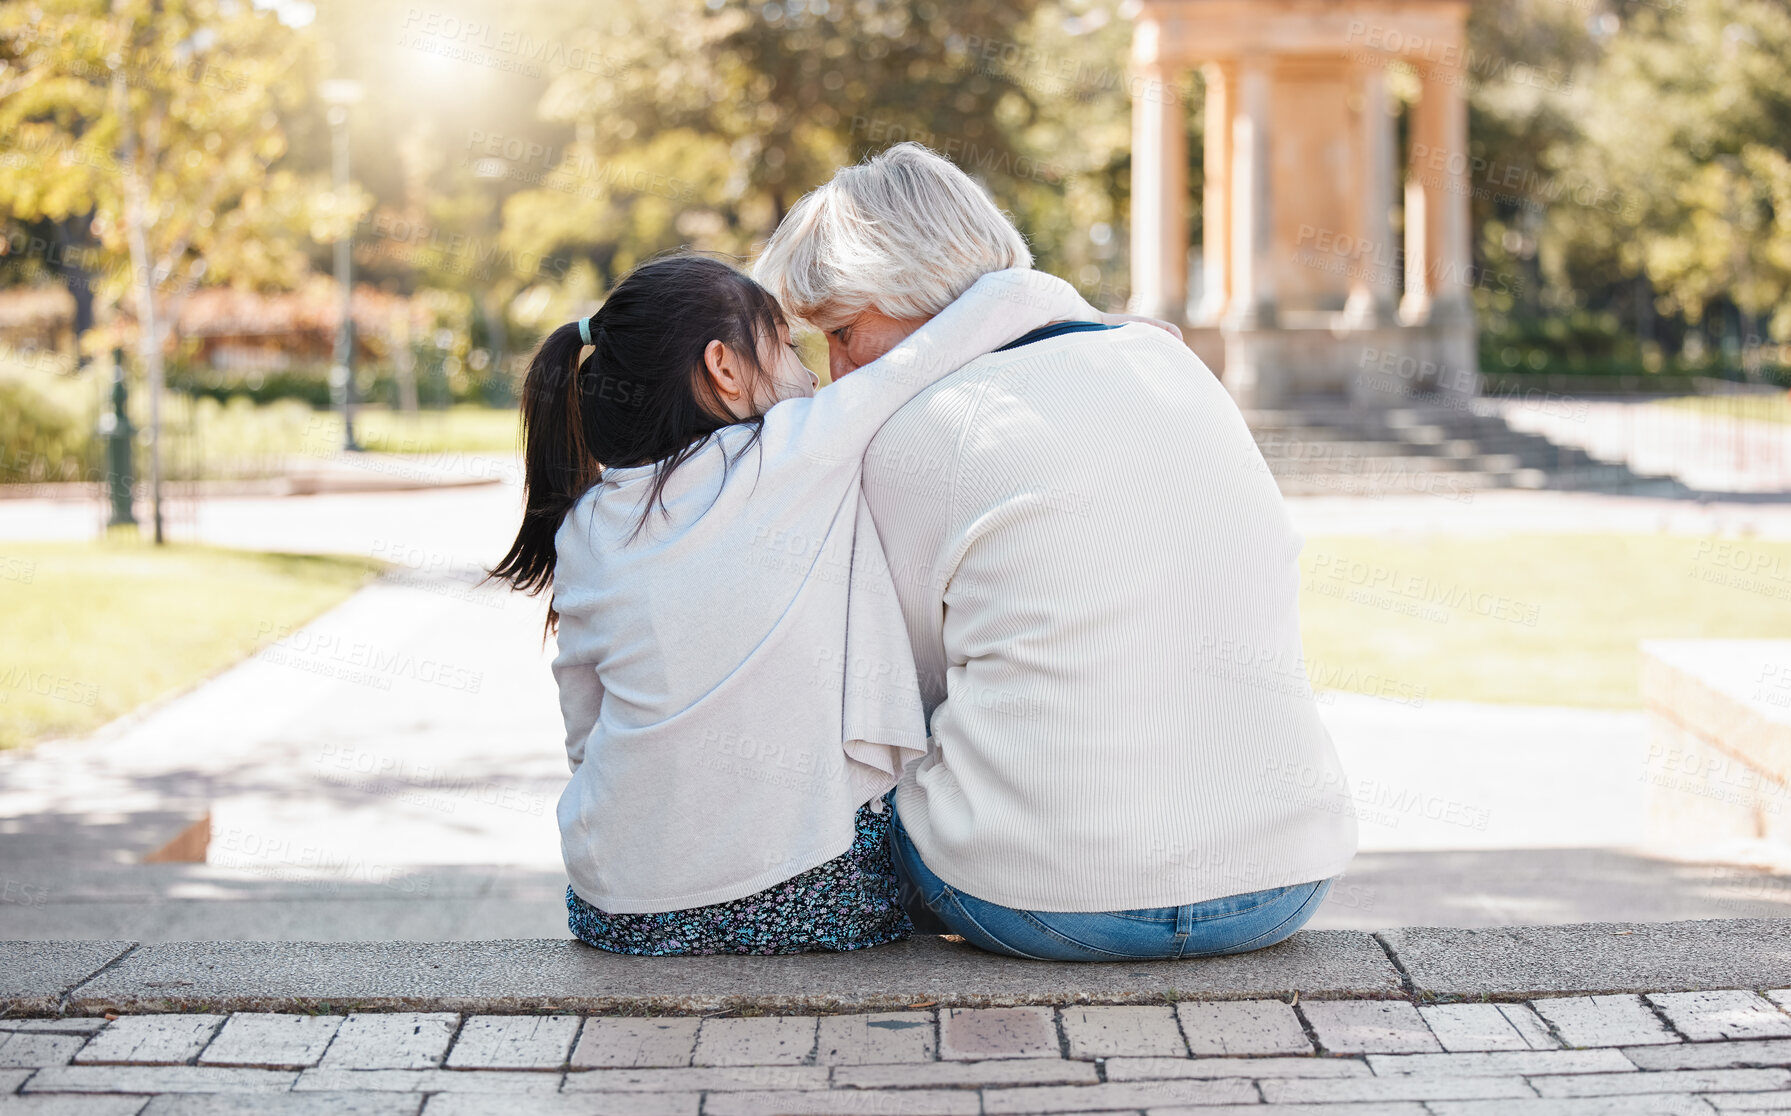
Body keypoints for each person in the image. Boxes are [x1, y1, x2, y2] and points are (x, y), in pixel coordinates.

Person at [754, 142, 1359, 961]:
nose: (836, 369)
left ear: (903, 291)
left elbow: (896, 693)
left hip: (1041, 902)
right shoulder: (1171, 364)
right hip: (1283, 882)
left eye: (843, 330)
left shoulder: (922, 430)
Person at [488, 252, 1111, 954]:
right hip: (813, 897)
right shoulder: (792, 450)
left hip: (620, 906)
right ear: (723, 368)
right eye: (783, 345)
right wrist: (1108, 333)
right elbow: (983, 315)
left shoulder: (588, 523)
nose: (812, 373)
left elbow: (583, 726)